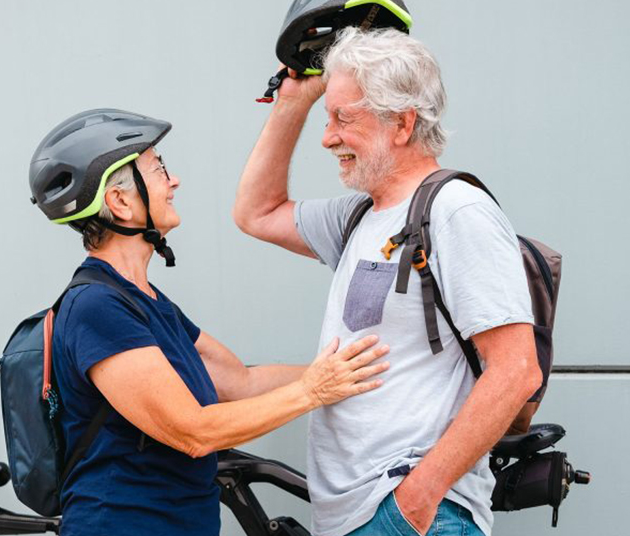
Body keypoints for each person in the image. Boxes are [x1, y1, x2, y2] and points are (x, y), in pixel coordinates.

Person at [233, 28, 543, 536]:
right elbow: (256, 212)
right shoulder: (360, 216)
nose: (328, 137)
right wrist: (295, 99)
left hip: (411, 513)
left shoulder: (454, 210)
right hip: (359, 516)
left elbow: (516, 371)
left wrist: (418, 499)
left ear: (401, 123)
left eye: (343, 118)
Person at [26, 108, 391, 536]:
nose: (173, 180)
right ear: (120, 201)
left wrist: (357, 371)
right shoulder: (96, 308)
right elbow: (192, 431)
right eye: (159, 168)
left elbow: (240, 383)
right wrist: (313, 391)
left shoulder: (146, 302)